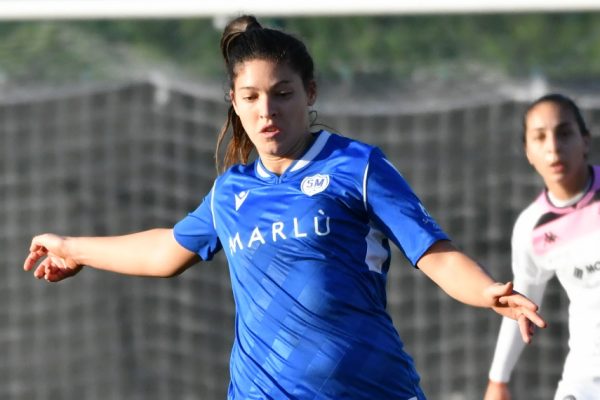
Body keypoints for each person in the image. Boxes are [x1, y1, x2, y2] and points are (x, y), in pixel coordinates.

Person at [24, 15, 546, 400]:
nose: (266, 110)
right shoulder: (230, 192)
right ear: (234, 102)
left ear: (309, 92)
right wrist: (73, 247)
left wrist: (485, 292)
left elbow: (433, 252)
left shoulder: (357, 165)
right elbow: (164, 252)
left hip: (371, 389)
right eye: (251, 97)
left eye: (282, 93)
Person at [484, 93, 600, 400]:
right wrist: (498, 380)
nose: (553, 147)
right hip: (586, 380)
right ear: (528, 152)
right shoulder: (531, 228)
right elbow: (523, 303)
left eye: (564, 133)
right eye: (540, 137)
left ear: (585, 140)